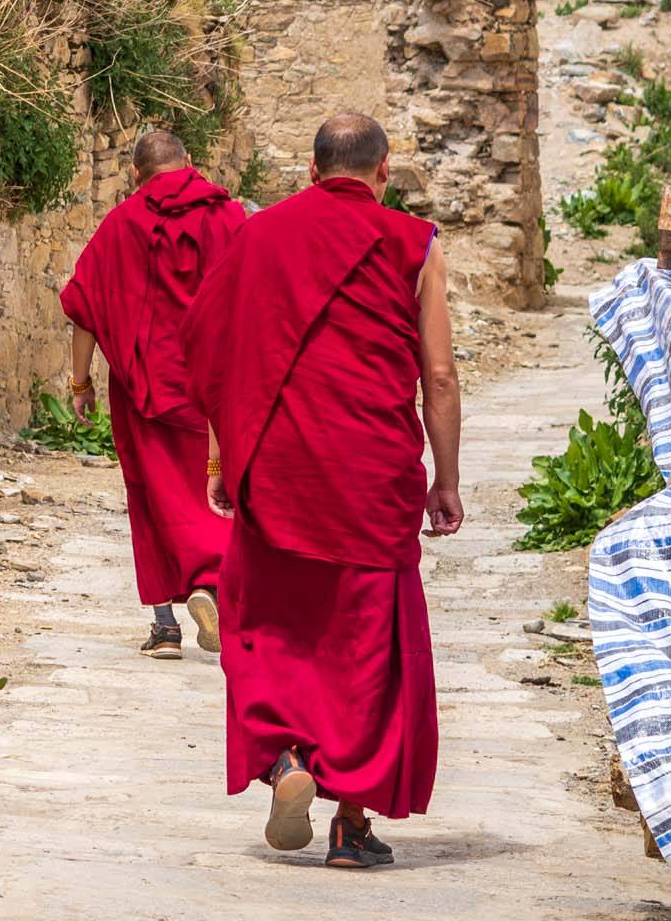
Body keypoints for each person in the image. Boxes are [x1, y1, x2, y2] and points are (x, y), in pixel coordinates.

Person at [179, 113, 463, 871]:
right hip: (373, 469)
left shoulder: (258, 235)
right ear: (385, 170)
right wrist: (448, 478)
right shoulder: (415, 244)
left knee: (269, 621)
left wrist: (220, 461)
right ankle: (351, 826)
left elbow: (219, 358)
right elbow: (437, 375)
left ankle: (283, 763)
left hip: (277, 466)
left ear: (310, 171)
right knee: (363, 641)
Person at [59, 128, 244, 661]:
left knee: (150, 496)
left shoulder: (120, 224)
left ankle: (165, 627)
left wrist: (80, 383)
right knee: (219, 493)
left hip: (143, 389)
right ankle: (212, 584)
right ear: (191, 162)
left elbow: (85, 310)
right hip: (215, 388)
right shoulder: (228, 217)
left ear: (135, 174)